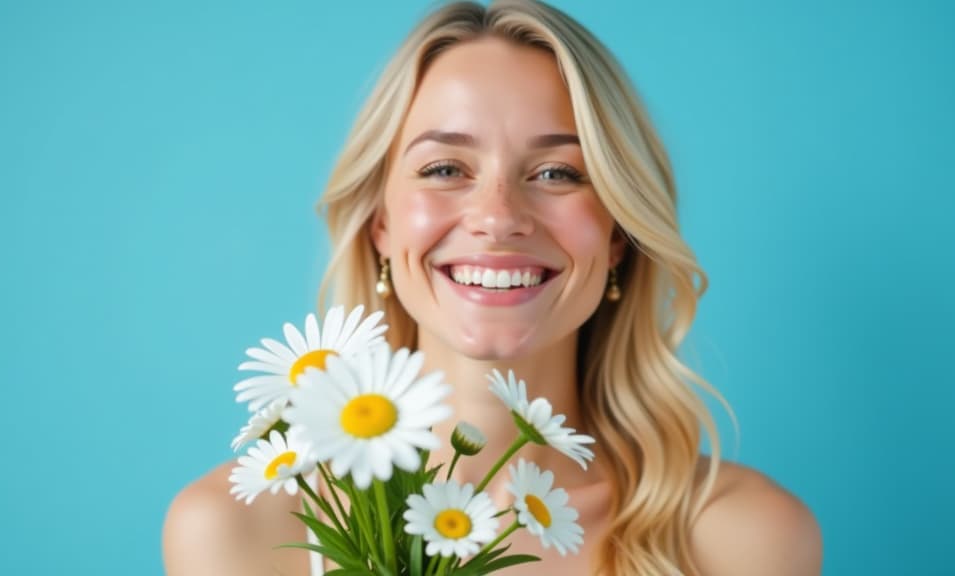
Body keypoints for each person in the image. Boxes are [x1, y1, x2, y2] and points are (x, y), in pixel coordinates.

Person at [162, 1, 822, 574]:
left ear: (619, 234)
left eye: (559, 174)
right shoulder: (237, 531)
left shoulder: (745, 538)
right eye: (446, 167)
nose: (499, 217)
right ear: (381, 224)